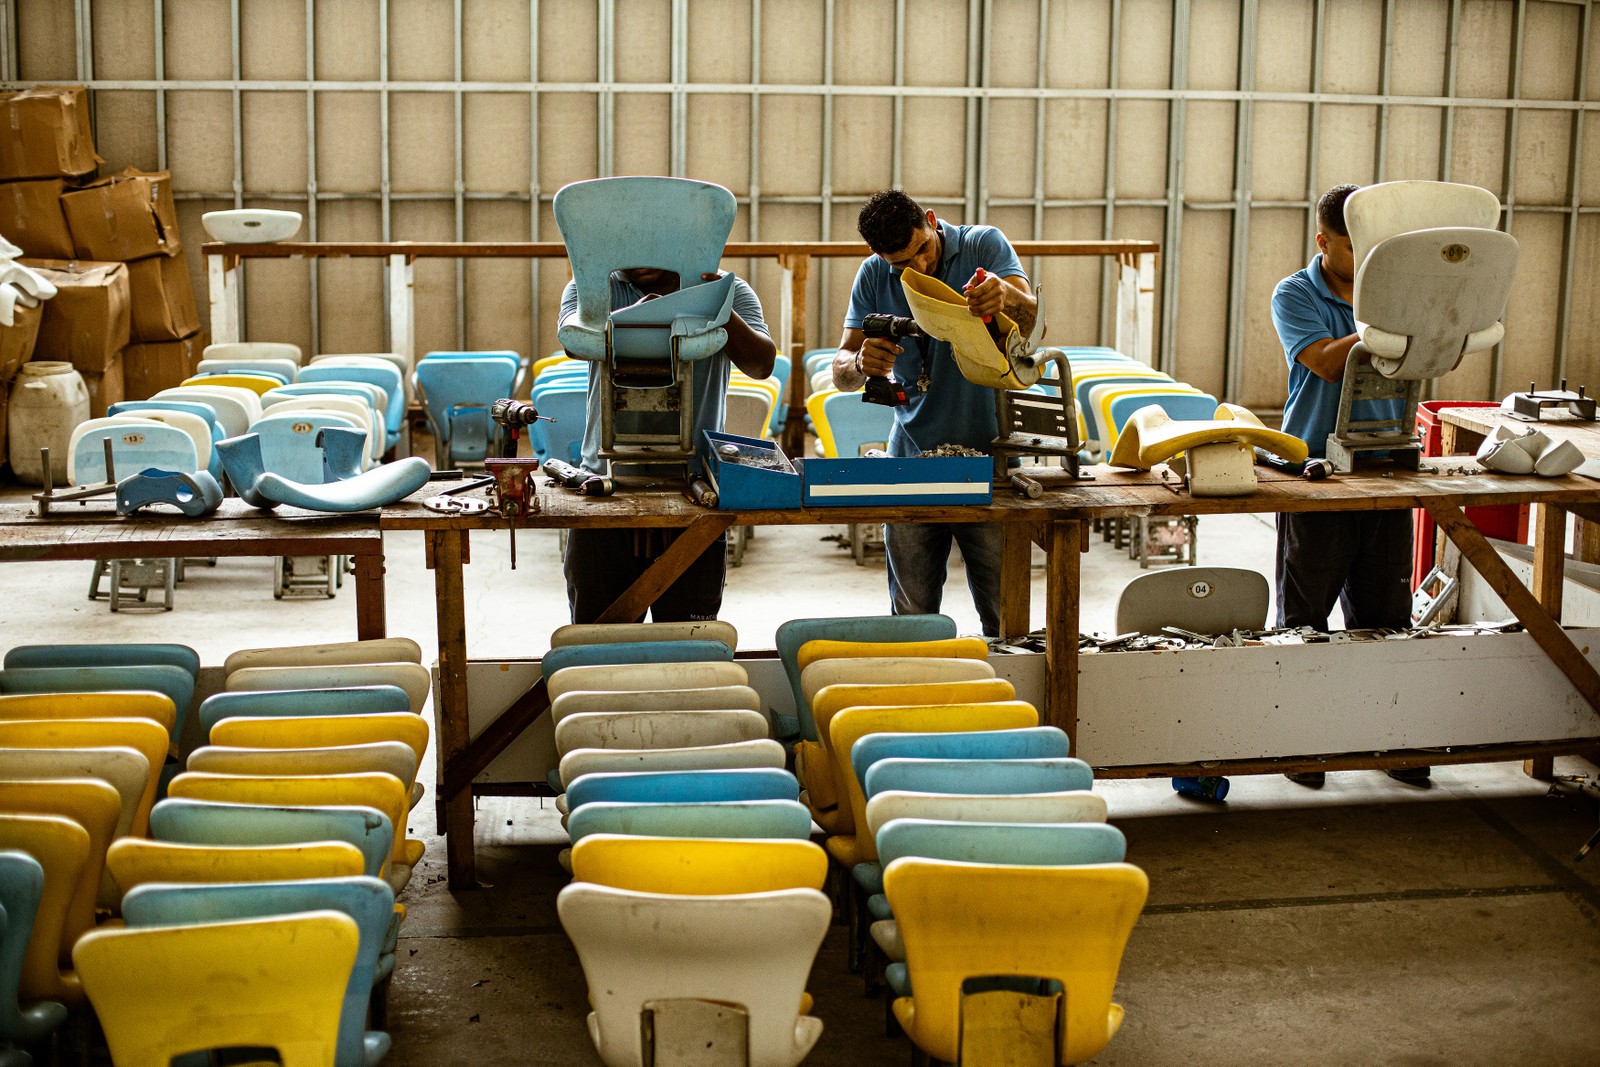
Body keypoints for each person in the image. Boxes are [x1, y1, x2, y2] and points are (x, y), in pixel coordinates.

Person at [1271, 182, 1426, 787]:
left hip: (1386, 468)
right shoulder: (1296, 294)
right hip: (1317, 473)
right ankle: (1304, 748)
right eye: (1354, 245)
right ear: (1323, 241)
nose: (1369, 259)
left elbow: (1441, 355)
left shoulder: (1397, 291)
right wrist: (1385, 326)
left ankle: (1393, 742)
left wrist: (1441, 320)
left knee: (1389, 617)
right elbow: (1327, 361)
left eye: (1378, 245)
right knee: (1305, 620)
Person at [831, 189, 1037, 637]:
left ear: (930, 219)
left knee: (1007, 616)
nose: (918, 267)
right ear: (879, 257)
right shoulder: (872, 276)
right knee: (913, 615)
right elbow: (841, 370)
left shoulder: (984, 245)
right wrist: (861, 363)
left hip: (993, 460)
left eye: (922, 249)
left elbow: (1030, 311)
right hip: (910, 462)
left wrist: (1002, 295)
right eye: (902, 265)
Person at [560, 266, 774, 624]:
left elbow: (761, 363)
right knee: (596, 644)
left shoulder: (727, 290)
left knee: (687, 645)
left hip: (693, 491)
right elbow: (573, 342)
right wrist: (640, 321)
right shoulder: (593, 287)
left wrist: (713, 305)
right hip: (606, 488)